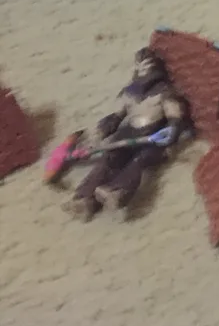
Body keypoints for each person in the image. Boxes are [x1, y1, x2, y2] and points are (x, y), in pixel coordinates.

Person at [67, 49, 186, 220]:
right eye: (142, 65)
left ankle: (117, 191)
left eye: (148, 65)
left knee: (139, 160)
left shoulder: (165, 92)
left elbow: (175, 116)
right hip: (128, 132)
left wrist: (172, 130)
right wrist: (101, 132)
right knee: (108, 158)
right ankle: (84, 198)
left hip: (153, 135)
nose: (145, 69)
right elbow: (117, 116)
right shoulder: (129, 92)